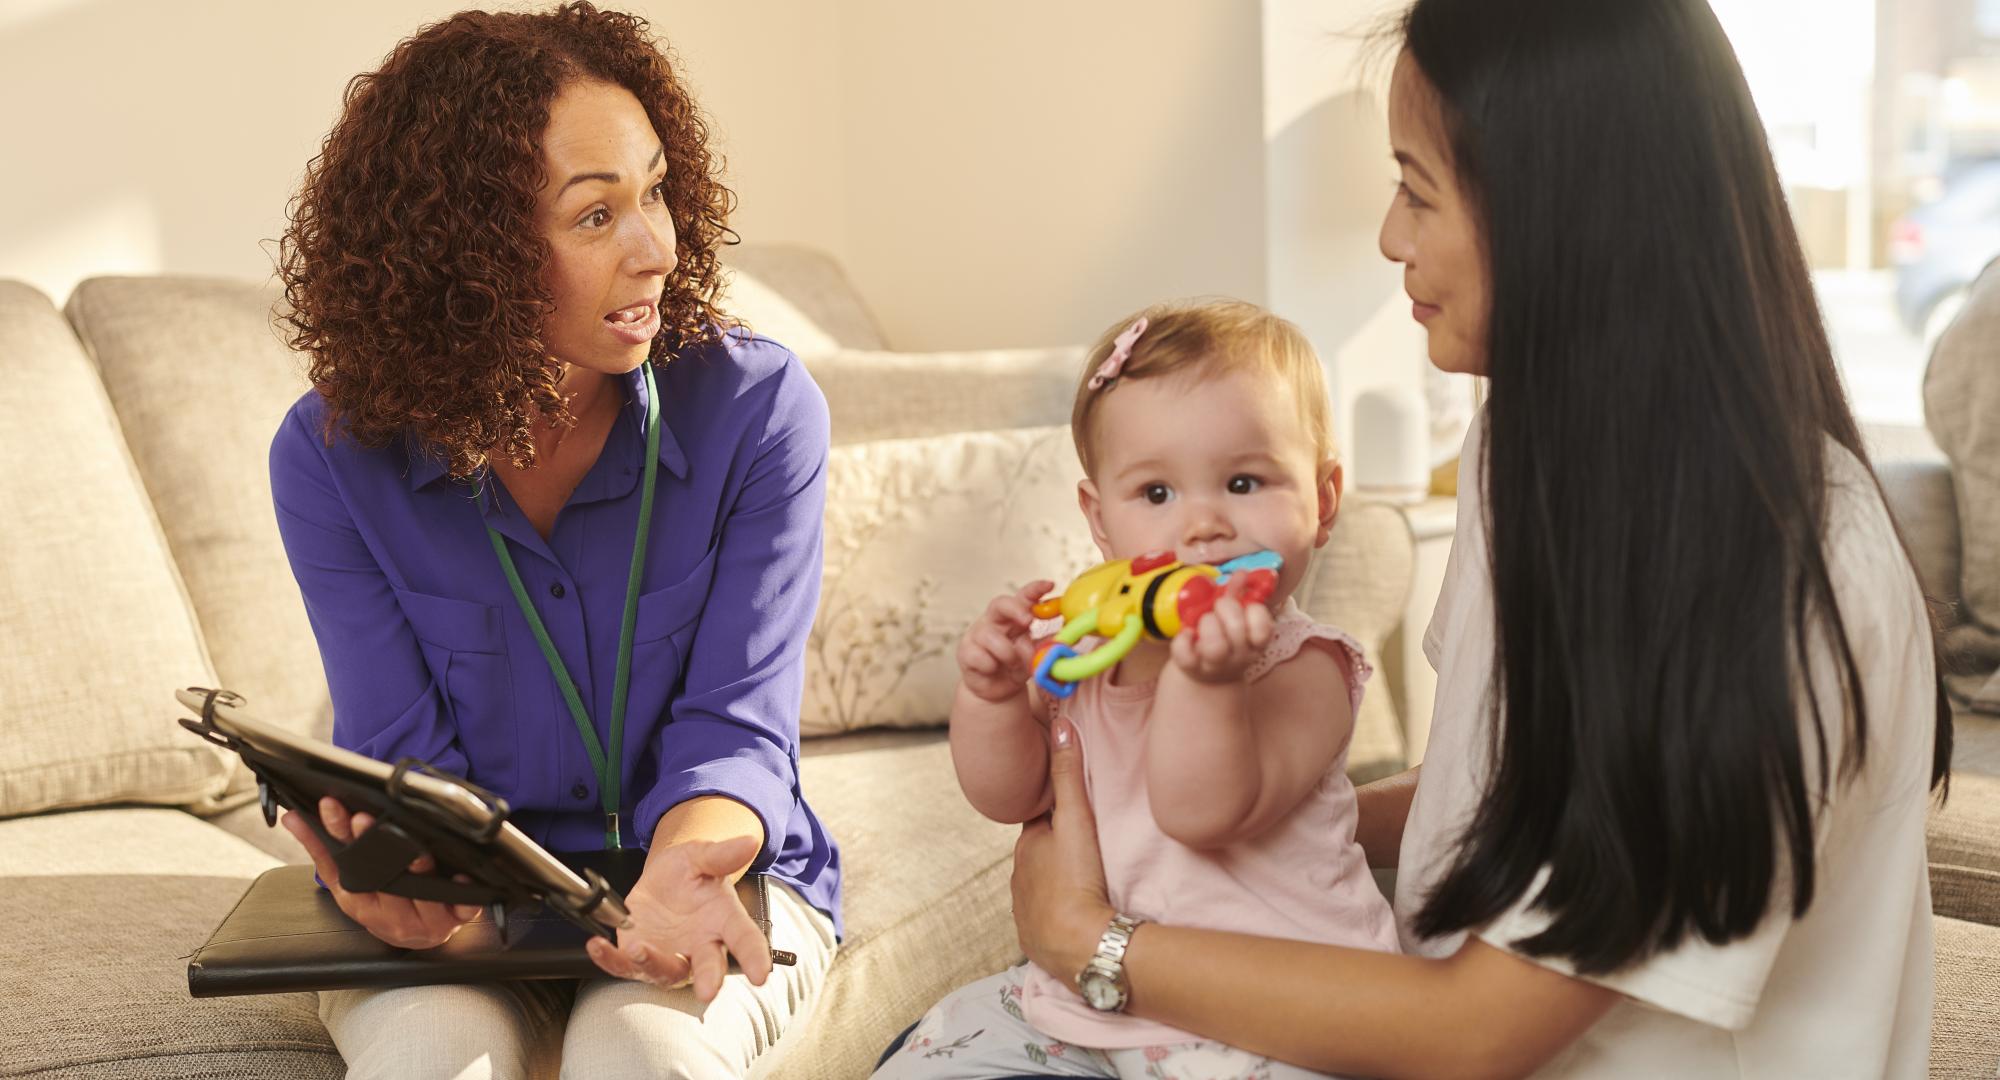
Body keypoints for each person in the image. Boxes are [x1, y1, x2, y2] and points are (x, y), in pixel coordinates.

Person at [1002, 0, 1954, 1076]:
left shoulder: (1774, 566)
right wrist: (1239, 830)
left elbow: (1474, 1033)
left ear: (1558, 211)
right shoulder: (1533, 437)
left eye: (1416, 189)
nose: (1387, 236)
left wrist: (1094, 938)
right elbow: (1496, 791)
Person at [268, 5, 839, 1077]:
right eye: (594, 217)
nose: (657, 248)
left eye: (657, 192)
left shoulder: (759, 412)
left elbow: (737, 723)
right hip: (464, 905)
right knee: (436, 1055)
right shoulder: (331, 456)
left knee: (640, 1054)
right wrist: (430, 905)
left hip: (710, 875)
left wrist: (679, 879)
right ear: (465, 260)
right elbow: (405, 760)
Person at [877, 300, 1397, 1080]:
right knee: (933, 1057)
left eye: (1244, 481)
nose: (1202, 527)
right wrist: (990, 695)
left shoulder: (1306, 666)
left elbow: (1200, 812)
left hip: (1275, 1016)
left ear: (1322, 501)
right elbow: (1009, 793)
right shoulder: (1084, 652)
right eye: (1157, 495)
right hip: (1085, 1005)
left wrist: (1203, 677)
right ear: (1099, 520)